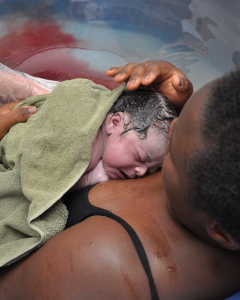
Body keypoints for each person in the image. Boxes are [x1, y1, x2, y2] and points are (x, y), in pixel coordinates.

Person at [0, 60, 240, 300]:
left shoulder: (93, 268)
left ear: (220, 233)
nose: (174, 125)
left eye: (172, 152)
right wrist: (181, 104)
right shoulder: (213, 194)